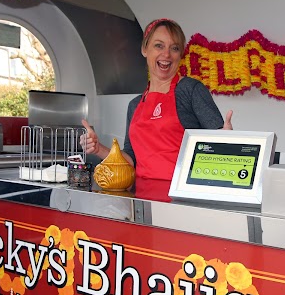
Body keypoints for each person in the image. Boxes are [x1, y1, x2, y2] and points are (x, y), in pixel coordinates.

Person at [81, 18, 233, 186]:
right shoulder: (135, 105)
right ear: (144, 49)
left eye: (174, 48)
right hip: (143, 194)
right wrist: (99, 148)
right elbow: (131, 160)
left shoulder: (190, 90)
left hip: (184, 194)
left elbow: (220, 146)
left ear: (180, 54)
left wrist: (228, 140)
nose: (166, 54)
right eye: (159, 46)